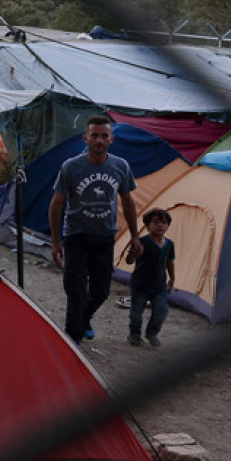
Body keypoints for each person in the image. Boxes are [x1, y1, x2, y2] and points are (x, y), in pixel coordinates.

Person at [49, 115, 141, 346]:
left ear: (111, 138)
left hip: (104, 236)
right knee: (76, 289)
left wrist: (135, 236)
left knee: (101, 291)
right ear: (86, 138)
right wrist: (55, 241)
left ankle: (84, 319)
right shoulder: (71, 166)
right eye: (94, 136)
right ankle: (72, 340)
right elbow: (57, 202)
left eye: (103, 136)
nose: (99, 140)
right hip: (76, 235)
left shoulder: (120, 166)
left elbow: (128, 201)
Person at [124, 209, 175, 348]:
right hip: (140, 285)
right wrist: (134, 252)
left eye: (164, 223)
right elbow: (128, 261)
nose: (160, 226)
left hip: (159, 286)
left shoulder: (169, 244)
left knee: (161, 310)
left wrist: (172, 278)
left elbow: (169, 261)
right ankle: (134, 334)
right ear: (147, 225)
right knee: (136, 312)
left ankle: (152, 333)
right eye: (156, 222)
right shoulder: (141, 242)